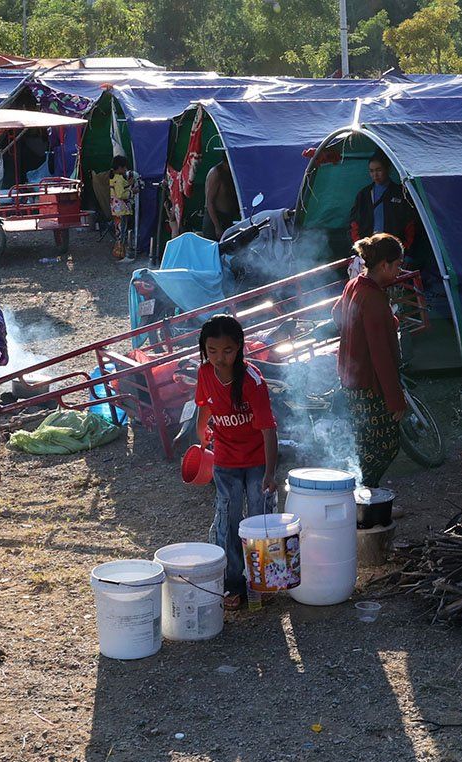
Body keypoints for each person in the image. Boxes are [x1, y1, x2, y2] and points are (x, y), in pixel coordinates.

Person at [194, 314, 278, 610]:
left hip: (256, 461)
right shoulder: (205, 373)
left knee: (259, 519)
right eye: (212, 351)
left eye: (227, 351)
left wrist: (270, 471)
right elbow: (203, 405)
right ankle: (232, 583)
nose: (220, 358)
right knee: (228, 517)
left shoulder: (253, 381)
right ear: (204, 349)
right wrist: (201, 433)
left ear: (239, 347)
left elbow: (268, 429)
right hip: (226, 460)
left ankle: (263, 580)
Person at [333, 233, 408, 488]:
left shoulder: (354, 285)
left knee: (365, 440)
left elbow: (337, 315)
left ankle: (362, 497)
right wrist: (395, 398)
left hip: (350, 380)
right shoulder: (374, 298)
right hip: (367, 384)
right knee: (386, 444)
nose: (399, 270)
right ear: (384, 265)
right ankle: (362, 492)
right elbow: (381, 355)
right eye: (397, 265)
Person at [348, 153, 416, 251]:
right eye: (371, 171)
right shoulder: (364, 195)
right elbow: (354, 224)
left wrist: (405, 250)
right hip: (370, 250)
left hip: (393, 250)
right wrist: (361, 248)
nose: (375, 175)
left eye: (378, 170)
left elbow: (410, 224)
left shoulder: (401, 193)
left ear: (387, 169)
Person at [202, 154, 240, 242]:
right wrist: (217, 226)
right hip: (215, 220)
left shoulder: (231, 173)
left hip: (227, 219)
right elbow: (209, 202)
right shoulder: (216, 173)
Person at [109, 155, 135, 261]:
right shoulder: (119, 179)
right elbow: (121, 194)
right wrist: (132, 192)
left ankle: (119, 252)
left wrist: (128, 184)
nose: (125, 170)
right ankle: (122, 254)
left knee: (118, 231)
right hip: (122, 209)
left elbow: (119, 188)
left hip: (115, 209)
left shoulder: (112, 178)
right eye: (124, 168)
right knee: (122, 231)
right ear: (119, 168)